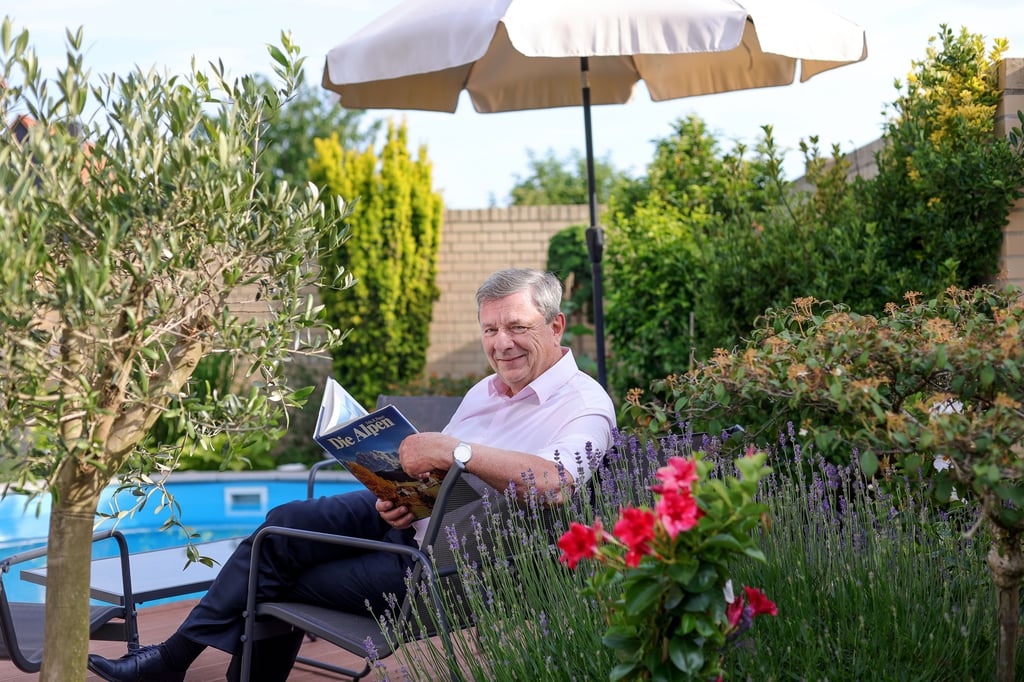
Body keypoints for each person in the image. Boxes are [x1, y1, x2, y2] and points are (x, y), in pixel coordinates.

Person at [88, 268, 615, 682]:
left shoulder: (586, 405)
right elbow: (439, 475)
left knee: (277, 576)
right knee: (279, 525)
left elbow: (556, 484)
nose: (502, 343)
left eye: (517, 327)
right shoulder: (487, 390)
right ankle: (173, 662)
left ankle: (173, 661)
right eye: (490, 329)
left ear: (555, 325)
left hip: (441, 568)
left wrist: (454, 448)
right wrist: (400, 495)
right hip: (410, 518)